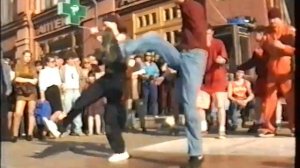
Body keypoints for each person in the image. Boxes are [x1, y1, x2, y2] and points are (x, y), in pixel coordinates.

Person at [259, 7, 295, 137]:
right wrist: (260, 45)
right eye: (271, 18)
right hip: (272, 68)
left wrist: (283, 47)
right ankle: (269, 127)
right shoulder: (267, 33)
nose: (273, 21)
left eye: (276, 18)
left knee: (290, 98)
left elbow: (294, 50)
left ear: (281, 19)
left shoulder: (289, 31)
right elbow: (263, 54)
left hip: (286, 68)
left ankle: (293, 126)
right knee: (269, 98)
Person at [199, 25, 229, 139]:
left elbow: (224, 57)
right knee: (199, 104)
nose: (206, 35)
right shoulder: (200, 46)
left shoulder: (218, 43)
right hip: (205, 79)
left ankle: (222, 129)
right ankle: (203, 127)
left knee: (220, 105)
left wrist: (221, 60)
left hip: (218, 78)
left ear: (212, 33)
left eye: (208, 33)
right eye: (204, 33)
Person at [11, 50, 38, 142]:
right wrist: (28, 80)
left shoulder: (33, 67)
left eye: (29, 56)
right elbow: (16, 78)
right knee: (18, 113)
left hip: (32, 91)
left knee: (31, 112)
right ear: (22, 57)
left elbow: (35, 80)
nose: (28, 58)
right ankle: (14, 134)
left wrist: (26, 80)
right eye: (26, 56)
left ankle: (29, 134)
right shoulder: (18, 66)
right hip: (21, 92)